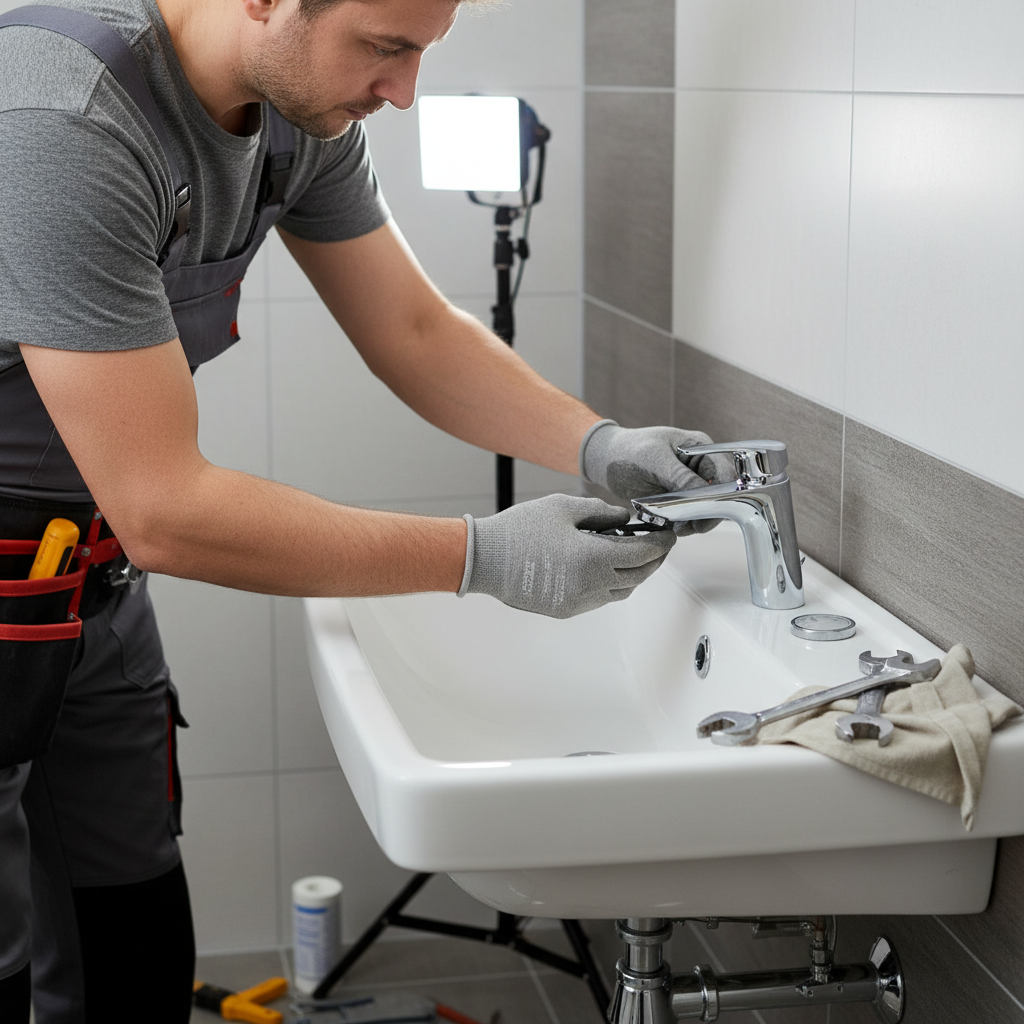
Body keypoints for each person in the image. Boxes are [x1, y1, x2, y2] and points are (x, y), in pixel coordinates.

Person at [0, 0, 724, 1020]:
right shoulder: (62, 116)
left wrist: (598, 444)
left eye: (421, 51)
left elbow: (414, 331)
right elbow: (167, 506)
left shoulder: (300, 116)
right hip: (50, 556)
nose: (405, 91)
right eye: (386, 47)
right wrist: (486, 556)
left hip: (91, 579)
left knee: (132, 942)